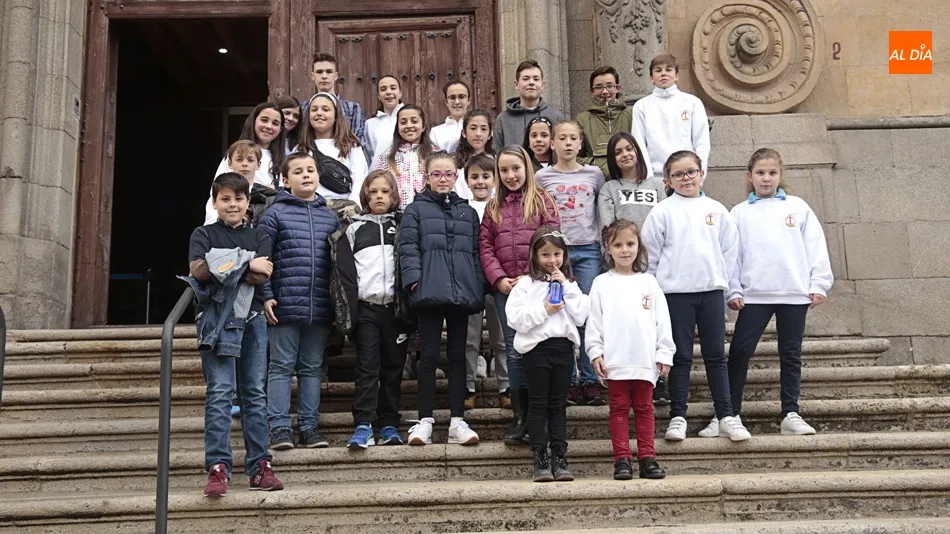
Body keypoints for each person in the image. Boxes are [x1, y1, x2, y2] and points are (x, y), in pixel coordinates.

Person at [710, 148, 833, 437]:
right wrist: (733, 289)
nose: (766, 178)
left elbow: (815, 245)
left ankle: (790, 412)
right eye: (760, 173)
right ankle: (728, 413)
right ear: (749, 176)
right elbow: (732, 255)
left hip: (793, 293)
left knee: (791, 353)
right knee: (740, 352)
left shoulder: (797, 207)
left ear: (780, 175)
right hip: (755, 295)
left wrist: (818, 284)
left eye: (772, 173)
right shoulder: (739, 212)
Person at [640, 150, 749, 442]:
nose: (686, 178)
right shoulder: (662, 212)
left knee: (716, 356)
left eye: (691, 172)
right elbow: (650, 256)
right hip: (675, 295)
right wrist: (653, 294)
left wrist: (725, 285)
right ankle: (678, 416)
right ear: (667, 180)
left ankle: (726, 415)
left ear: (702, 173)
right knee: (680, 356)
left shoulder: (717, 210)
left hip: (710, 293)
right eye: (678, 174)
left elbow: (729, 251)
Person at [186, 172, 282, 497]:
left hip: (253, 320)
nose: (232, 204)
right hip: (215, 321)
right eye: (225, 199)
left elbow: (262, 275)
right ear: (215, 202)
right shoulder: (202, 233)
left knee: (254, 392)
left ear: (247, 202)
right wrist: (246, 263)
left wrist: (222, 264)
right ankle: (218, 468)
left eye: (238, 198)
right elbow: (199, 271)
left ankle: (260, 466)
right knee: (220, 392)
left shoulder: (259, 235)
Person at [399, 151, 485, 446]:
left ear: (456, 176)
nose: (443, 179)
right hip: (429, 290)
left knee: (459, 356)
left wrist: (477, 285)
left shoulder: (468, 212)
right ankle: (424, 420)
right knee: (429, 355)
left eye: (448, 174)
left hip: (462, 291)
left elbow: (476, 252)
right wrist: (414, 283)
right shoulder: (415, 210)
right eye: (436, 174)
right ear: (427, 177)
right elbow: (408, 249)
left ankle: (457, 421)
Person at [258, 152, 341, 450]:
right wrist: (266, 296)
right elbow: (262, 259)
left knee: (312, 367)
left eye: (310, 170)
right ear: (285, 180)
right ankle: (280, 428)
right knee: (281, 366)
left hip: (320, 305)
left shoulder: (330, 217)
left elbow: (338, 267)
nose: (306, 175)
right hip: (283, 304)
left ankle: (309, 427)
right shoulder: (274, 214)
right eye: (298, 171)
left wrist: (338, 305)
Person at [481, 145, 560, 444]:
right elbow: (485, 247)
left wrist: (531, 276)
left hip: (536, 287)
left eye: (516, 168)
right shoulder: (493, 207)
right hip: (507, 290)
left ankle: (544, 415)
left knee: (539, 347)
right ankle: (521, 417)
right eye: (504, 170)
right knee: (514, 349)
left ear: (527, 168)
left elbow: (552, 242)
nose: (511, 175)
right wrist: (499, 278)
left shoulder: (543, 202)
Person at [587, 219, 674, 480]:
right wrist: (595, 351)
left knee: (645, 408)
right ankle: (622, 459)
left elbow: (662, 320)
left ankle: (648, 458)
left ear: (639, 246)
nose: (624, 250)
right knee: (619, 407)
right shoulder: (601, 283)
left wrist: (664, 352)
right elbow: (594, 321)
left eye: (630, 244)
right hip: (616, 359)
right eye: (618, 245)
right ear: (608, 248)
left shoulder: (649, 282)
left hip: (644, 358)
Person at [335, 170, 412, 448]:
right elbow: (344, 275)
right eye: (373, 192)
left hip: (395, 310)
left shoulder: (402, 227)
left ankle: (389, 423)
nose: (379, 196)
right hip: (366, 309)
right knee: (367, 368)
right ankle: (364, 424)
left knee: (393, 368)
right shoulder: (353, 229)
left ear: (394, 196)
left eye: (385, 192)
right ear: (365, 196)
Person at [505, 226, 589, 482]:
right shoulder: (525, 284)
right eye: (545, 254)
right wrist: (544, 310)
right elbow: (515, 318)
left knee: (558, 405)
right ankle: (540, 456)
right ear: (534, 255)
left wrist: (567, 286)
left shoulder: (570, 284)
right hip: (536, 351)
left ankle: (560, 456)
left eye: (557, 254)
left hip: (563, 349)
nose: (552, 260)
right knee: (538, 404)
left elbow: (581, 314)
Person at [536, 121, 606, 406]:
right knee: (561, 313)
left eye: (573, 138)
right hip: (556, 252)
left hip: (587, 249)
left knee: (586, 313)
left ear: (580, 143)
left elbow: (600, 209)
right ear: (552, 143)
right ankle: (569, 380)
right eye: (562, 138)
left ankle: (590, 379)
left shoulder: (594, 174)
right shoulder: (542, 176)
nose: (567, 143)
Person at [597, 131, 669, 404]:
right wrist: (615, 258)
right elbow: (607, 227)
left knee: (654, 324)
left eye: (629, 149)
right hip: (623, 264)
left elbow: (665, 222)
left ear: (638, 151)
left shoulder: (657, 185)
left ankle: (660, 380)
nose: (625, 154)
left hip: (654, 265)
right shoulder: (609, 189)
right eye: (618, 152)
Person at [463, 154, 508, 410]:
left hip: (497, 279)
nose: (480, 182)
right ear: (466, 181)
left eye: (486, 176)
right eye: (474, 177)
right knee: (470, 339)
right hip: (471, 280)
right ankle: (468, 387)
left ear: (495, 180)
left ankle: (506, 387)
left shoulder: (500, 207)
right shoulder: (463, 209)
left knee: (500, 338)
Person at [632, 53, 710, 180]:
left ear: (676, 75)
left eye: (668, 70)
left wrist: (699, 175)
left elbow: (701, 141)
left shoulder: (692, 102)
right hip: (655, 176)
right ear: (651, 77)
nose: (663, 73)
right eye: (658, 70)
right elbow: (639, 143)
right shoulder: (641, 106)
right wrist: (648, 178)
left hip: (687, 176)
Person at [205, 103, 287, 220]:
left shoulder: (283, 161)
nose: (269, 126)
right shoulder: (234, 154)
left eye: (275, 123)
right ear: (253, 121)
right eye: (264, 120)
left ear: (281, 129)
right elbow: (217, 192)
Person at [576, 66, 652, 179]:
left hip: (631, 180)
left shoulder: (632, 114)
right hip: (596, 181)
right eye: (599, 87)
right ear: (592, 91)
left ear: (618, 88)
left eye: (610, 86)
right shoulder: (583, 119)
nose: (605, 91)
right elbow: (574, 156)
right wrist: (597, 164)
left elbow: (645, 149)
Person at [297, 92, 369, 207]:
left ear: (336, 116)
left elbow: (359, 180)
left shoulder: (351, 147)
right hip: (310, 208)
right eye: (314, 110)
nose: (319, 113)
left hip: (344, 209)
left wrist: (353, 207)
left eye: (325, 109)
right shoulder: (301, 149)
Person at [492, 60, 564, 153]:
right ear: (516, 85)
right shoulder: (503, 119)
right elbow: (497, 154)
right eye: (526, 79)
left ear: (542, 85)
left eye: (536, 79)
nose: (531, 83)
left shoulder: (556, 117)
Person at [371, 105, 434, 209]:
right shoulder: (385, 158)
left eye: (414, 121)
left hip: (429, 212)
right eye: (403, 122)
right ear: (397, 127)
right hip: (395, 213)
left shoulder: (435, 155)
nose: (409, 126)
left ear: (423, 126)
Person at [204, 140, 279, 227]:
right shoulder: (220, 193)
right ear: (229, 163)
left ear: (258, 165)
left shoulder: (267, 195)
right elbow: (209, 225)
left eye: (250, 160)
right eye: (239, 160)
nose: (244, 164)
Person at [305, 52, 368, 147]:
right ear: (312, 76)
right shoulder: (304, 107)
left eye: (329, 71)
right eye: (319, 72)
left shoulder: (353, 108)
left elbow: (358, 141)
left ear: (336, 75)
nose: (324, 76)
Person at [453, 108, 495, 199]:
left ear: (489, 134)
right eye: (473, 128)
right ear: (464, 133)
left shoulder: (497, 162)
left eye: (483, 129)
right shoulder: (454, 163)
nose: (478, 134)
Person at [365, 75, 405, 162]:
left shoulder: (410, 119)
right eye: (383, 89)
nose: (388, 92)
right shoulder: (370, 124)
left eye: (393, 88)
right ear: (378, 96)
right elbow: (368, 155)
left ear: (400, 93)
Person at [430, 80, 472, 153]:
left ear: (468, 100)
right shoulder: (436, 132)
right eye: (452, 97)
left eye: (461, 97)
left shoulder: (479, 128)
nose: (457, 102)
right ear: (446, 102)